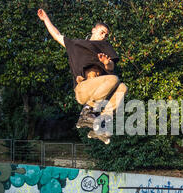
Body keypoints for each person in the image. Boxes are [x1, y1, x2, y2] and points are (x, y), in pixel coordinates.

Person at [37, 9, 128, 144]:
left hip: (99, 90)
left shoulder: (105, 47)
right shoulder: (76, 44)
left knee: (122, 87)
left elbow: (111, 67)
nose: (103, 36)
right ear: (93, 30)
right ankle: (87, 112)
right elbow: (57, 35)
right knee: (114, 79)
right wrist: (46, 19)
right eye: (101, 32)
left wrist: (106, 62)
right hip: (83, 89)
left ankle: (101, 125)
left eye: (106, 35)